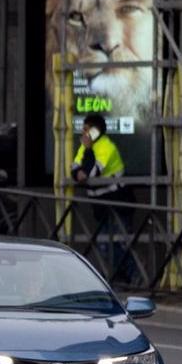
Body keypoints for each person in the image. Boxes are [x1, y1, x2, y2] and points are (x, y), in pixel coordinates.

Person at [72, 113, 134, 283]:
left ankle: (134, 278)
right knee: (106, 245)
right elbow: (75, 167)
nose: (83, 134)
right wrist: (78, 173)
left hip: (119, 203)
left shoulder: (106, 147)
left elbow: (92, 175)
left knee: (118, 243)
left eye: (86, 130)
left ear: (95, 131)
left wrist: (83, 173)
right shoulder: (85, 147)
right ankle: (123, 279)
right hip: (101, 206)